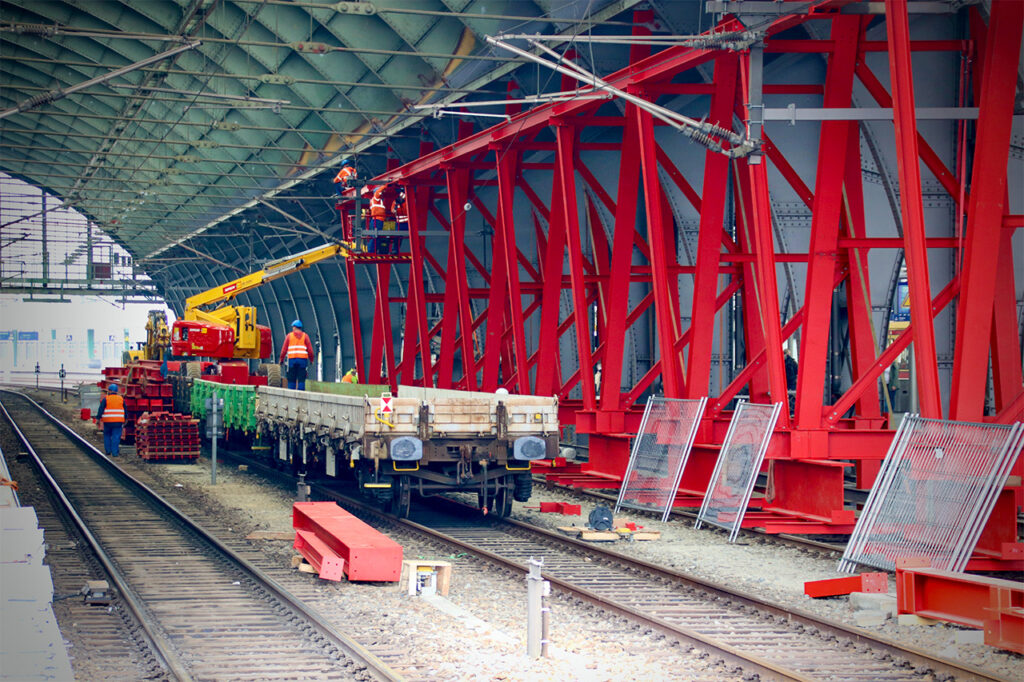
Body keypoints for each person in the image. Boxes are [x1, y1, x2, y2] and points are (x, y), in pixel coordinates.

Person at [279, 320, 315, 390]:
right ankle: (300, 394)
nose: (292, 328)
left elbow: (284, 350)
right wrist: (311, 360)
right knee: (301, 378)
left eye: (293, 327)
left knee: (291, 378)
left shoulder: (289, 336)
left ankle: (291, 393)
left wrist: (281, 360)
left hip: (292, 360)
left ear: (295, 327)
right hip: (302, 361)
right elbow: (310, 350)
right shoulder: (305, 336)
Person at [95, 384, 125, 457]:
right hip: (118, 422)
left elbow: (101, 409)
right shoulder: (121, 399)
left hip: (108, 422)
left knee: (107, 435)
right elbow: (125, 410)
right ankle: (115, 453)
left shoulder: (106, 399)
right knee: (116, 436)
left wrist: (98, 419)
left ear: (110, 391)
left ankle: (108, 451)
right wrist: (126, 419)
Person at [368, 185, 387, 254]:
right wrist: (386, 185)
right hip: (377, 220)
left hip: (378, 220)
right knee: (375, 236)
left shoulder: (376, 201)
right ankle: (371, 251)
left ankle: (374, 250)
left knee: (377, 236)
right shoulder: (376, 198)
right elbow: (378, 192)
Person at [390, 187, 408, 254]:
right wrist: (396, 206)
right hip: (399, 224)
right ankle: (395, 250)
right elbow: (393, 211)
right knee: (397, 237)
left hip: (407, 224)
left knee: (412, 237)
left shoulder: (407, 201)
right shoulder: (395, 202)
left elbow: (405, 196)